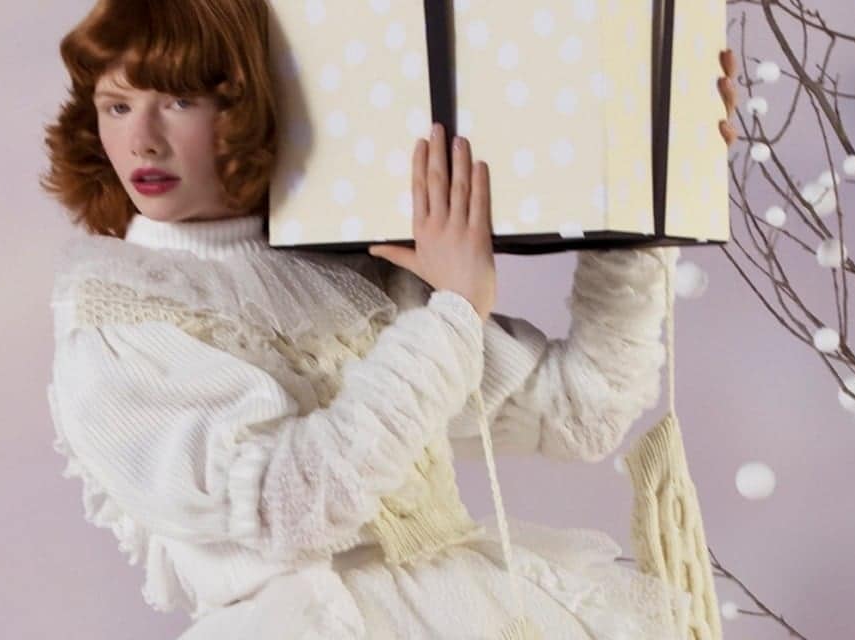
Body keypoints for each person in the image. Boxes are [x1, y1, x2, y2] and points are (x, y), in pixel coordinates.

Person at [39, 1, 739, 637]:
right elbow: (290, 506)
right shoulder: (116, 327)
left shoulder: (346, 274)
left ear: (251, 102)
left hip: (474, 609)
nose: (143, 142)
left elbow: (582, 409)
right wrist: (452, 313)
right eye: (117, 105)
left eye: (180, 100)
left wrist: (655, 182)